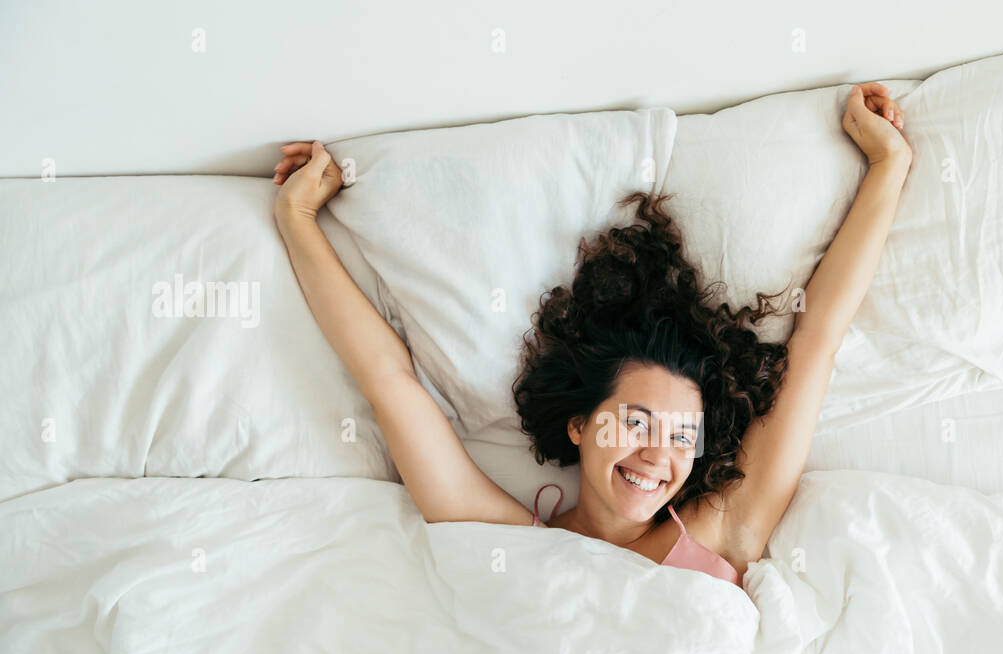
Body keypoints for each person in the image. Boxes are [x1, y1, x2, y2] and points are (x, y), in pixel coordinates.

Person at [272, 83, 911, 588]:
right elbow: (389, 381)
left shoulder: (726, 532)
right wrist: (298, 218)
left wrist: (888, 164)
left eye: (682, 436)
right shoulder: (503, 542)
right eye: (636, 423)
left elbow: (816, 338)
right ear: (580, 423)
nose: (659, 456)